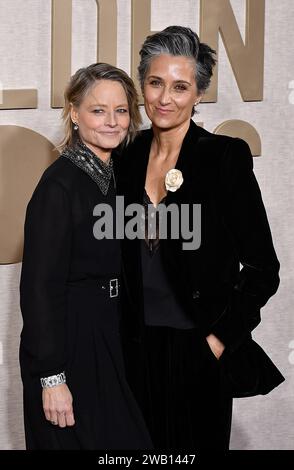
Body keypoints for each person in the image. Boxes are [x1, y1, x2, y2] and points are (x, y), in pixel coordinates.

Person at [117, 26, 284, 450]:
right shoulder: (126, 154)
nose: (164, 98)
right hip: (135, 349)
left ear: (199, 94)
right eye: (155, 83)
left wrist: (216, 339)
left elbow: (264, 271)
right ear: (142, 85)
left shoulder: (223, 157)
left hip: (196, 348)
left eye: (180, 86)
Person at [19, 62, 152, 450]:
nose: (112, 121)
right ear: (75, 113)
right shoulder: (58, 186)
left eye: (121, 110)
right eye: (98, 110)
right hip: (71, 343)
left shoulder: (118, 177)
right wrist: (51, 377)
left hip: (111, 331)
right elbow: (39, 289)